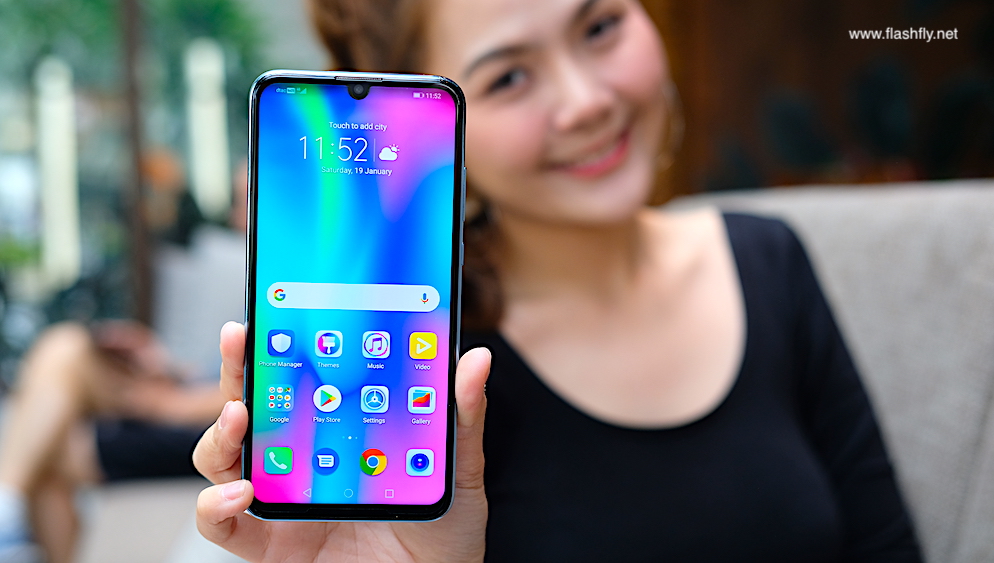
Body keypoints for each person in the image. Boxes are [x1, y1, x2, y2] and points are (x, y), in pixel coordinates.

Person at [194, 0, 924, 561]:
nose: (587, 101)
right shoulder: (424, 366)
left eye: (600, 26)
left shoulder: (771, 259)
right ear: (438, 133)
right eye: (509, 77)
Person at [0, 153, 248, 563]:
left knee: (51, 449)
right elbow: (226, 368)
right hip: (186, 394)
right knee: (66, 347)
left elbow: (266, 388)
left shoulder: (291, 274)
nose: (236, 216)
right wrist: (163, 363)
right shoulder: (251, 265)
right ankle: (7, 513)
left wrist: (168, 403)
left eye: (244, 202)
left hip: (202, 425)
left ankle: (7, 511)